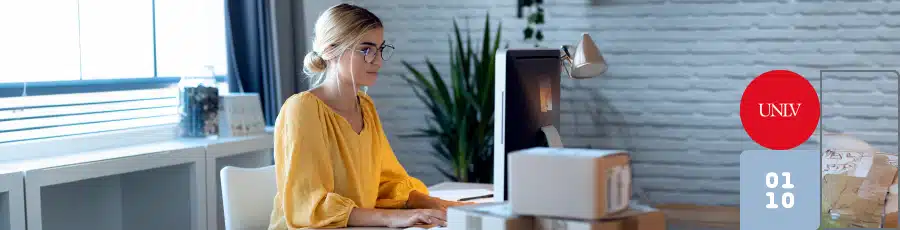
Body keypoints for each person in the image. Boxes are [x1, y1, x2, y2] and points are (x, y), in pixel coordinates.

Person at [268, 3, 470, 229]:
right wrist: (392, 218)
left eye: (380, 49)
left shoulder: (365, 106)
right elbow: (309, 206)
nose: (378, 61)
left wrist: (437, 204)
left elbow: (386, 182)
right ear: (330, 50)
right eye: (366, 50)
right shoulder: (301, 109)